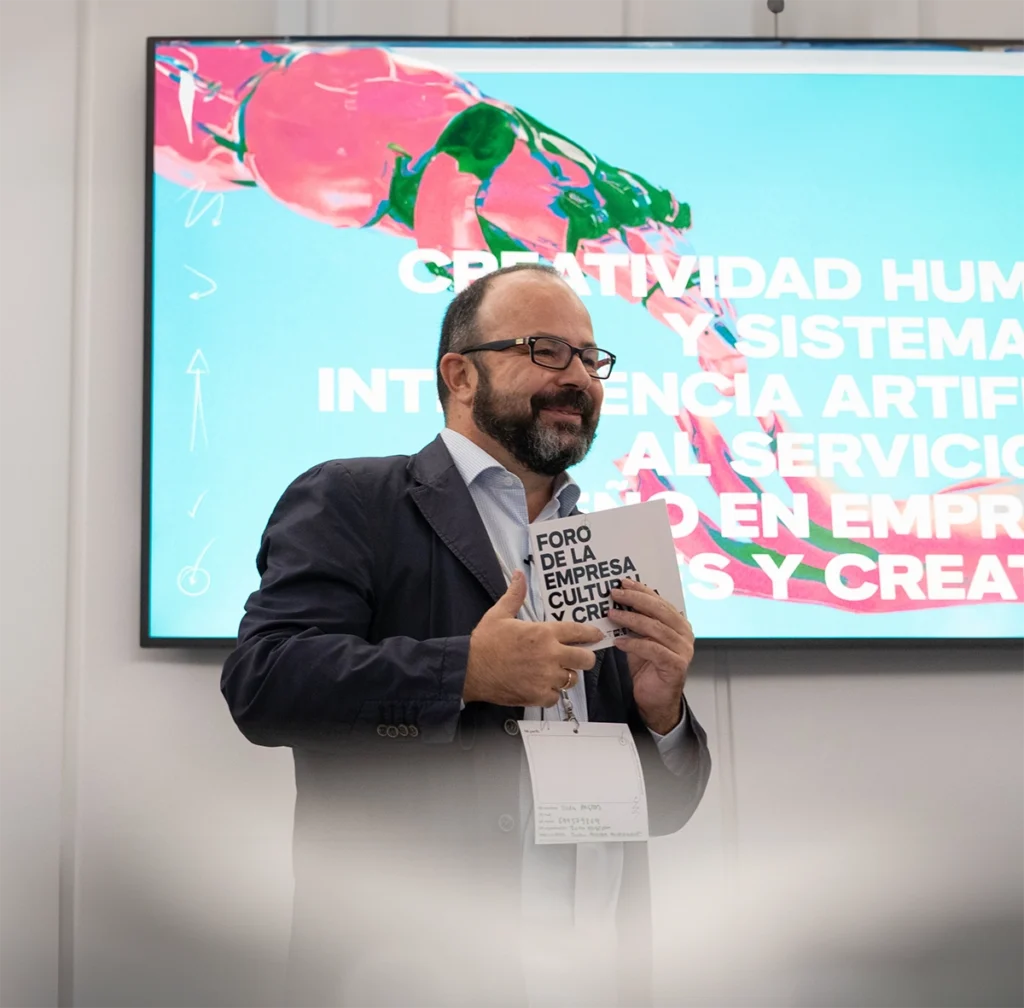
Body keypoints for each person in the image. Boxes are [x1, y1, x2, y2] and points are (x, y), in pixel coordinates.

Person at [221, 263, 712, 1007]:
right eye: (545, 350)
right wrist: (464, 673)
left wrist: (663, 712)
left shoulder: (604, 545)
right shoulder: (355, 500)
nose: (576, 374)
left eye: (589, 357)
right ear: (459, 374)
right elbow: (265, 683)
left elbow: (666, 807)